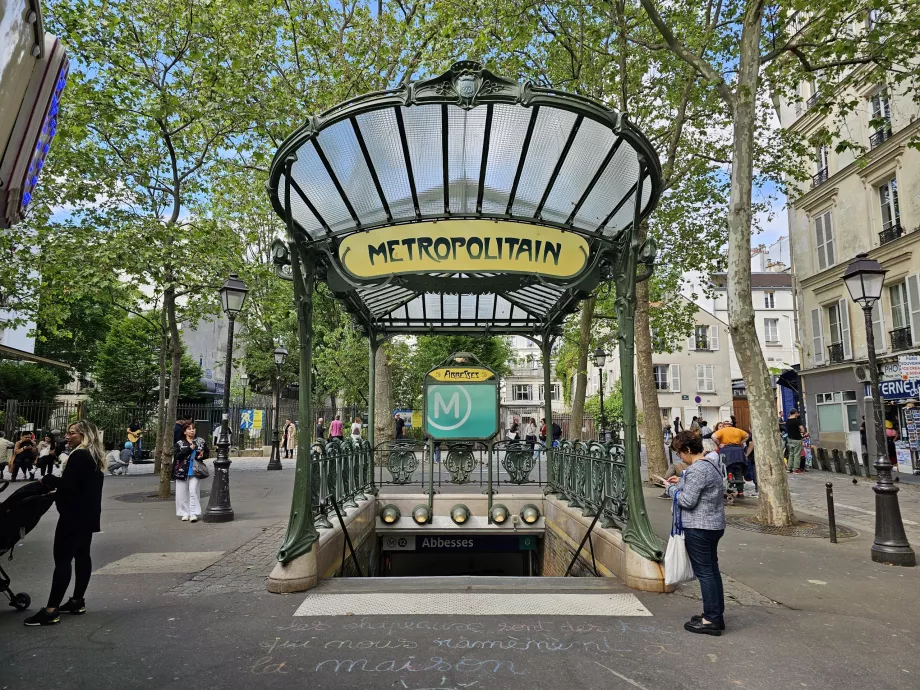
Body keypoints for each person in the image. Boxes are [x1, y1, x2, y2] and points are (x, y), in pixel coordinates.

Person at [24, 420, 105, 626]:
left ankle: (51, 610)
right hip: (88, 514)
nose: (67, 437)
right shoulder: (96, 456)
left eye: (72, 433)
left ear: (84, 435)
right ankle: (77, 600)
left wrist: (49, 480)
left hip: (73, 514)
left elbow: (68, 486)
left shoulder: (79, 455)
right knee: (82, 556)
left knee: (63, 558)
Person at [661, 431, 726, 635]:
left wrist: (670, 490)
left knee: (705, 573)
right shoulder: (710, 464)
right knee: (712, 571)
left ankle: (711, 620)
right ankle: (714, 614)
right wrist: (678, 482)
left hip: (699, 526)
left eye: (681, 453)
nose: (681, 457)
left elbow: (687, 501)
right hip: (713, 524)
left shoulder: (697, 470)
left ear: (688, 450)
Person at [173, 422, 208, 523]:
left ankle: (193, 512)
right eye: (189, 429)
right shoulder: (180, 443)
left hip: (195, 470)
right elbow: (177, 456)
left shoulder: (200, 441)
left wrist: (202, 456)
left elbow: (206, 452)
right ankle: (184, 512)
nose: (192, 430)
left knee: (193, 491)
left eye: (193, 428)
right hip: (182, 470)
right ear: (184, 432)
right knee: (182, 493)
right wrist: (189, 449)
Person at [713, 420, 750, 496]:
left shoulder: (722, 431)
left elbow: (713, 436)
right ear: (731, 424)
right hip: (738, 452)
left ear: (724, 424)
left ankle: (729, 489)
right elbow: (747, 435)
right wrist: (741, 442)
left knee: (727, 469)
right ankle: (740, 492)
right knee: (738, 470)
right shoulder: (738, 430)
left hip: (727, 451)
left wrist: (719, 444)